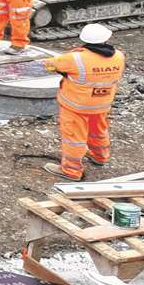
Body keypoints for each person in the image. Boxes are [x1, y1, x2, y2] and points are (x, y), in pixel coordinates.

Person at [39, 23, 125, 179]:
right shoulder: (119, 56)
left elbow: (50, 65)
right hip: (102, 104)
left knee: (74, 138)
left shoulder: (75, 58)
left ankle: (71, 170)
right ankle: (100, 156)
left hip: (76, 106)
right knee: (99, 131)